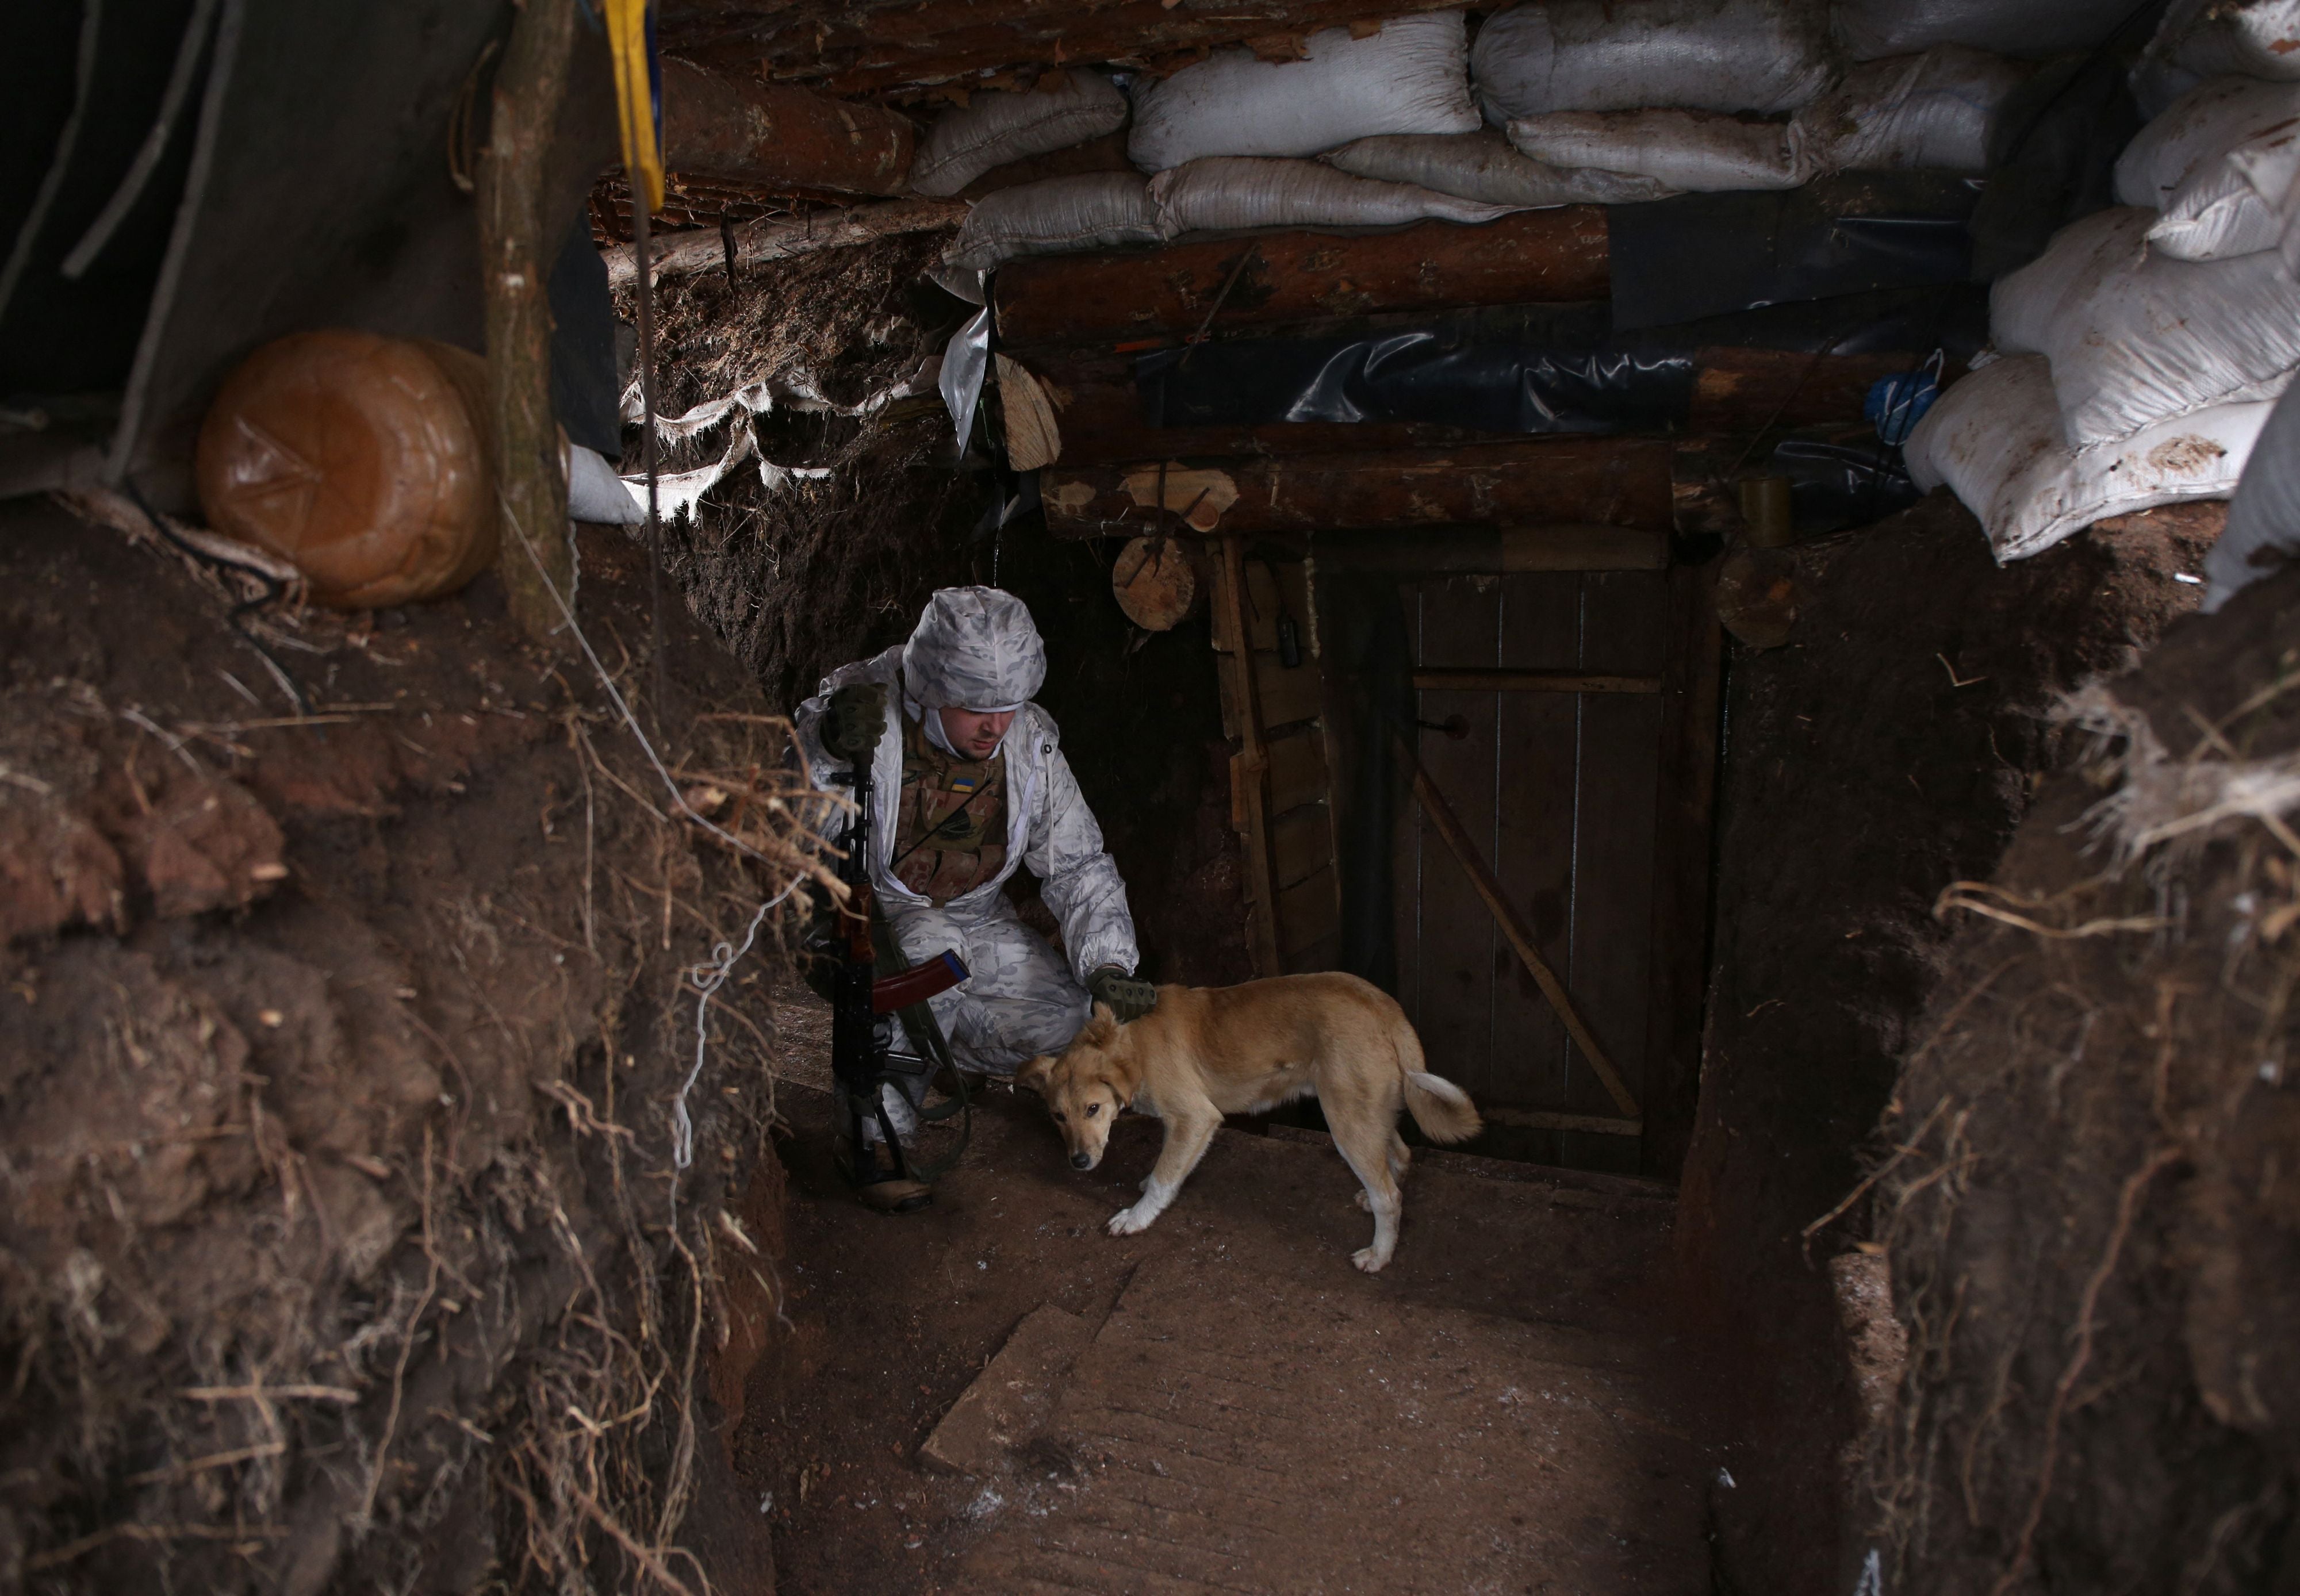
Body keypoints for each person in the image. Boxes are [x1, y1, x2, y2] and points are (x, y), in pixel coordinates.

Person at [795, 588, 1157, 1189]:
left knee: (1072, 1023)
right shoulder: (856, 714)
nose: (995, 724)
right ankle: (880, 1128)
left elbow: (1077, 864)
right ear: (930, 691)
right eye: (974, 707)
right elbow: (786, 827)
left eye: (1008, 704)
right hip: (874, 920)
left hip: (976, 913)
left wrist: (1108, 963)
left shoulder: (1027, 743)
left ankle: (937, 1053)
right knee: (936, 956)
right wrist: (826, 752)